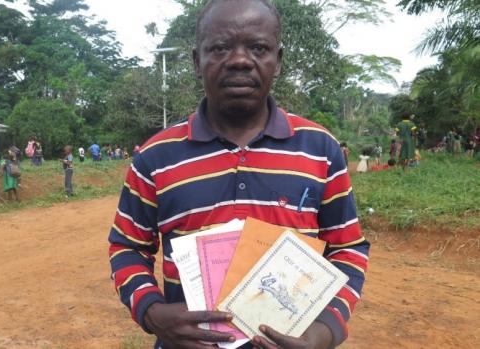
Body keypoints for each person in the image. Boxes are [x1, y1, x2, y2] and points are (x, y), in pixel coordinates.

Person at [108, 2, 369, 349]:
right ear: (196, 61)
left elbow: (347, 249)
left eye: (258, 48)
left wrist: (322, 334)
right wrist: (152, 312)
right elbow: (127, 247)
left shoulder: (320, 149)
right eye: (219, 48)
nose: (240, 60)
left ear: (278, 60)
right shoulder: (156, 156)